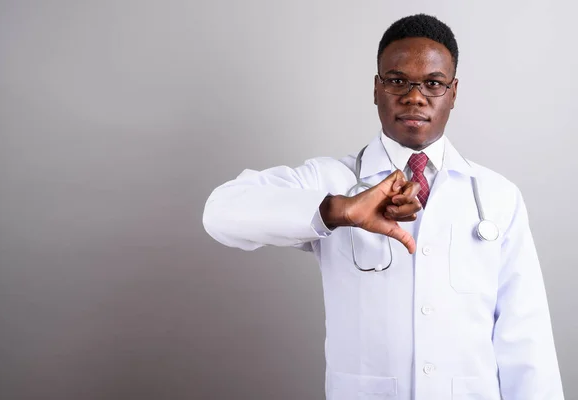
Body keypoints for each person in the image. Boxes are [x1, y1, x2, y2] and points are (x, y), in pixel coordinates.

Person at [202, 14, 564, 400]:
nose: (414, 96)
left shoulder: (496, 195)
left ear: (453, 92)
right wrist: (338, 211)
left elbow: (526, 338)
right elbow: (220, 213)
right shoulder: (333, 182)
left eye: (433, 83)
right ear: (376, 89)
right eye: (397, 81)